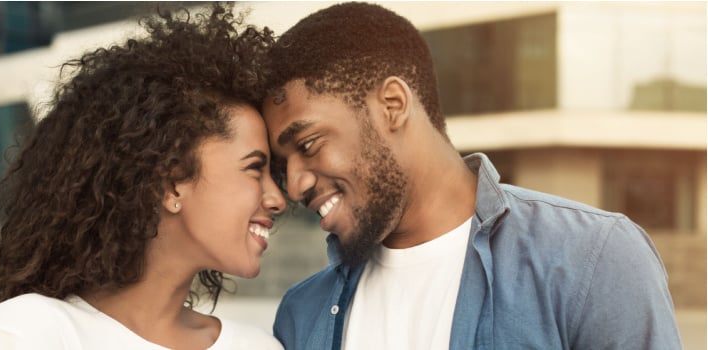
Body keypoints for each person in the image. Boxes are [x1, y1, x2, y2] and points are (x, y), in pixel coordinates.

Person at [261, 2, 682, 349]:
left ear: (392, 105)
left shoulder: (590, 261)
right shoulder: (302, 315)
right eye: (282, 167)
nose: (295, 185)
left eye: (309, 144)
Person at [0, 4, 285, 349]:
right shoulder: (36, 332)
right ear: (172, 183)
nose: (278, 199)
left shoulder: (258, 346)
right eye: (255, 168)